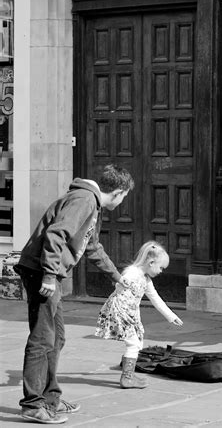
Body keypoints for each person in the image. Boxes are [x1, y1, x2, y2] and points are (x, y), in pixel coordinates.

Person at [14, 164, 135, 424]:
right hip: (41, 272)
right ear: (118, 192)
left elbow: (92, 246)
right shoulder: (83, 200)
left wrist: (116, 277)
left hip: (47, 272)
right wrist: (48, 274)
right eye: (125, 196)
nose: (123, 201)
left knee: (56, 337)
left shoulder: (90, 203)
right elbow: (56, 234)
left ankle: (50, 399)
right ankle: (33, 405)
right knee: (42, 338)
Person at [95, 241, 183, 389]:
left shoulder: (145, 278)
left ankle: (128, 374)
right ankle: (127, 377)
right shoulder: (133, 272)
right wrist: (121, 283)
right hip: (121, 312)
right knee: (134, 343)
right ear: (151, 262)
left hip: (130, 314)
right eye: (161, 268)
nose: (161, 271)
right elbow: (119, 285)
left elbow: (155, 298)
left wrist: (171, 316)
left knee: (136, 343)